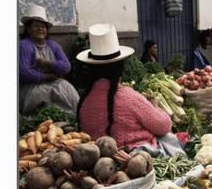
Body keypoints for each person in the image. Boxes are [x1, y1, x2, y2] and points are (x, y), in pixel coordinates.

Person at [77, 24, 182, 155]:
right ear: (120, 68)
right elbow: (164, 125)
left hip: (98, 159)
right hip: (136, 157)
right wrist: (155, 106)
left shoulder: (84, 100)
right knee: (169, 138)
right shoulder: (129, 97)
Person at [18, 3, 80, 115]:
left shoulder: (53, 45)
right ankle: (54, 121)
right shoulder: (24, 45)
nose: (40, 29)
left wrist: (48, 63)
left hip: (53, 81)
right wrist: (47, 76)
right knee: (47, 93)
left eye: (43, 27)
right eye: (36, 26)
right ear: (28, 29)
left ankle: (76, 116)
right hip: (31, 86)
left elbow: (66, 67)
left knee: (68, 89)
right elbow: (24, 72)